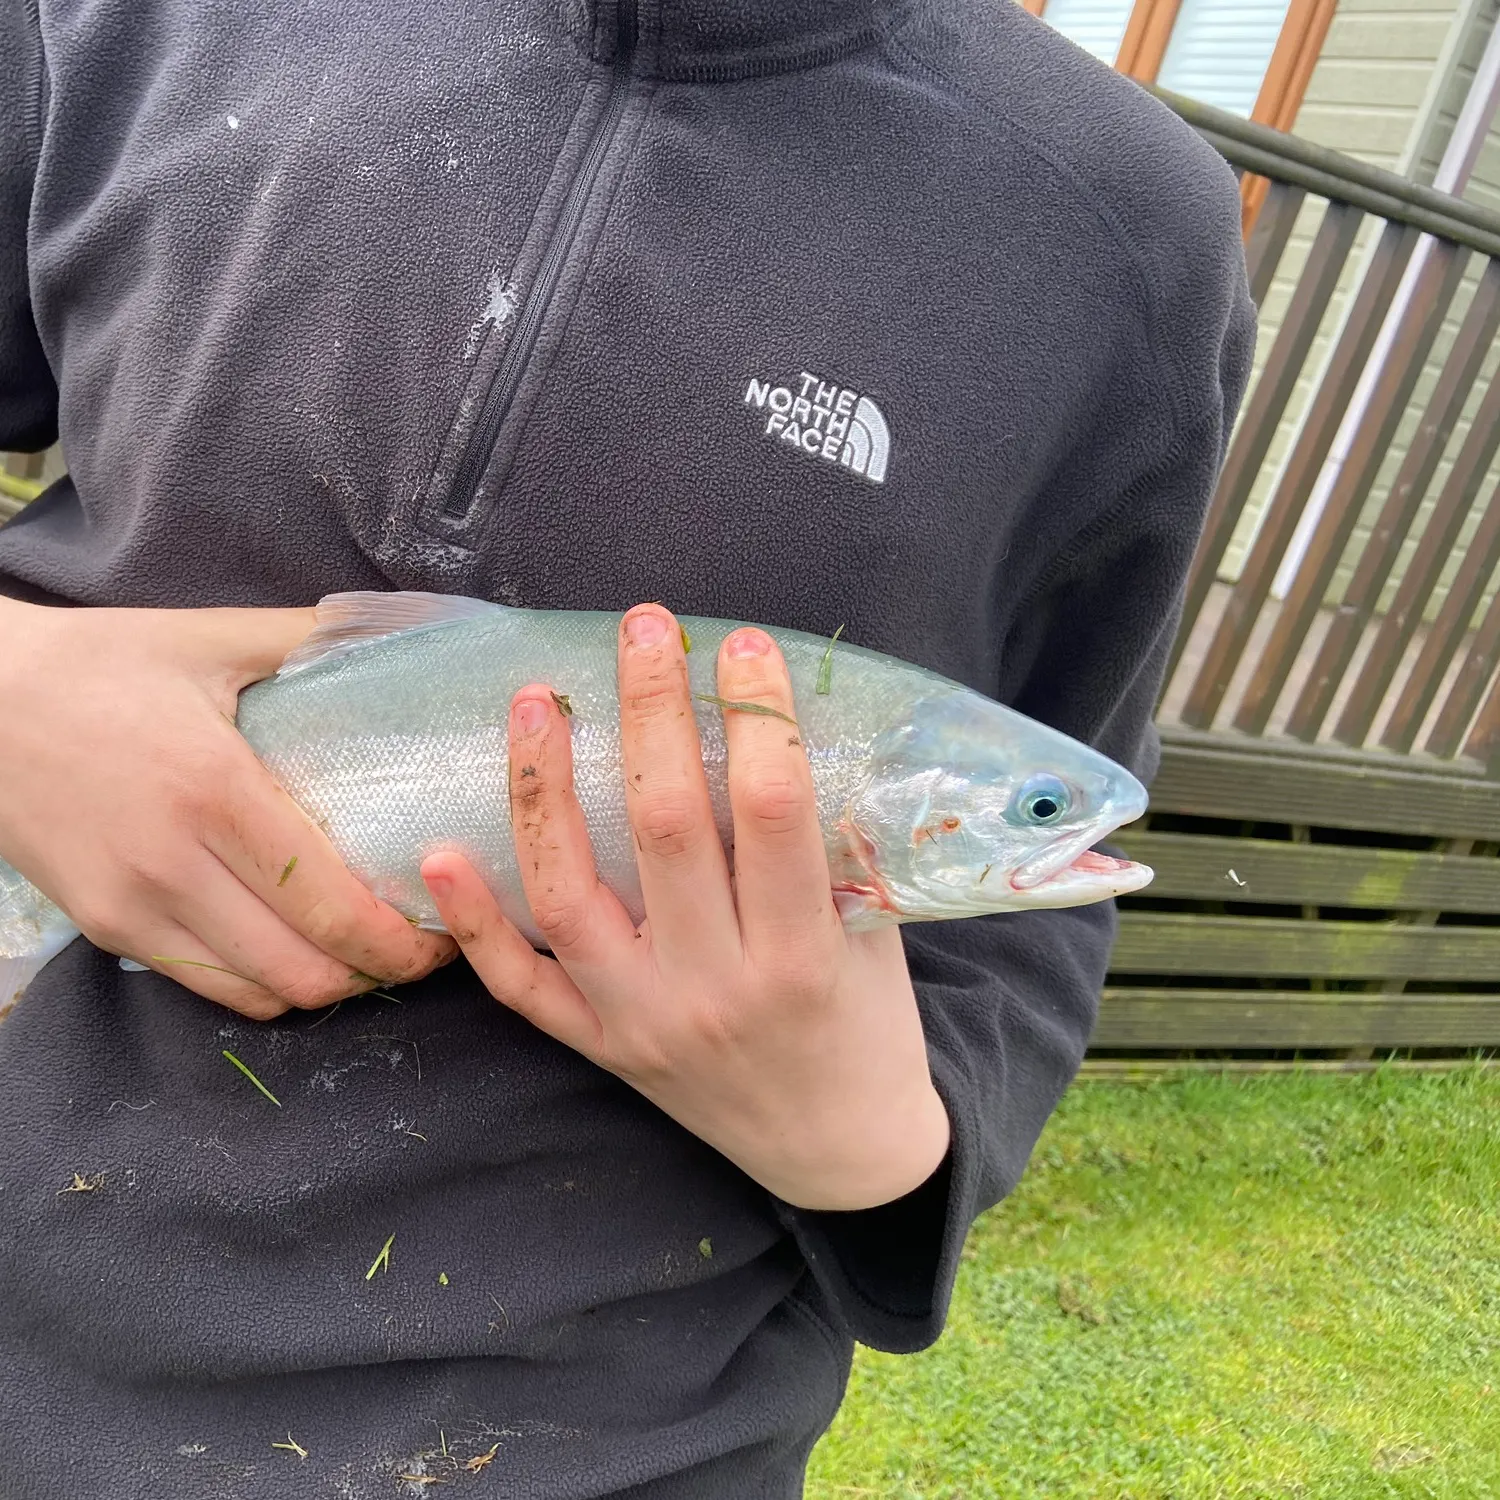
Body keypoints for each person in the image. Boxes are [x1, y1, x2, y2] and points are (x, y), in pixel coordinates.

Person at [0, 0, 1254, 1494]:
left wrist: (875, 1146)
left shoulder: (1130, 240)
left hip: (629, 1440)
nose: (1056, 820)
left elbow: (1043, 896)